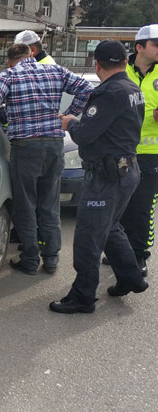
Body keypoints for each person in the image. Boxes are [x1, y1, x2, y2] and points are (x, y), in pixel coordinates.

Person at [0, 44, 94, 275]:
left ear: (9, 61)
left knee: (26, 205)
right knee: (49, 205)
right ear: (31, 55)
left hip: (26, 147)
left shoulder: (11, 75)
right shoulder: (55, 71)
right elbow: (85, 88)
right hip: (54, 144)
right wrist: (64, 115)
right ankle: (51, 258)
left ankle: (31, 260)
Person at [50, 39, 147, 314]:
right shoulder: (132, 88)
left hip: (107, 177)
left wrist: (71, 123)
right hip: (127, 171)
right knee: (111, 229)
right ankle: (131, 278)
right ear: (125, 61)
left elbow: (86, 135)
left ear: (97, 64)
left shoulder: (109, 93)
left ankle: (82, 297)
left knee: (88, 237)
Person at [105, 24, 158, 277]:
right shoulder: (120, 70)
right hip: (121, 151)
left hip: (152, 154)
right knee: (119, 206)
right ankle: (120, 250)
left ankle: (138, 255)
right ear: (140, 47)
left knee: (142, 206)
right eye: (156, 44)